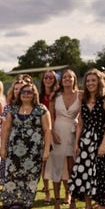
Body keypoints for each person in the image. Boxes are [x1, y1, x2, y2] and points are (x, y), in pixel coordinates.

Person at [0, 82, 52, 209]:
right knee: (11, 177)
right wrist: (2, 148)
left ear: (34, 94)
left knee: (31, 179)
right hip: (13, 151)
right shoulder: (13, 109)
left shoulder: (41, 109)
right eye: (23, 92)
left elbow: (47, 131)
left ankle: (27, 208)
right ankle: (8, 206)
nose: (26, 94)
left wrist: (46, 150)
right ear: (19, 94)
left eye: (29, 92)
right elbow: (5, 129)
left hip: (33, 152)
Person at [69, 68, 105, 209]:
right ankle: (88, 207)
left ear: (100, 81)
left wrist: (103, 144)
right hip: (85, 142)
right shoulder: (83, 99)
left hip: (100, 141)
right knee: (83, 175)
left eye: (93, 80)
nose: (90, 83)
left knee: (99, 176)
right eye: (88, 81)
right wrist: (77, 143)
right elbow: (80, 124)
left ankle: (101, 208)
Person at [44, 69, 79, 209]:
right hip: (57, 132)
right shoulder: (55, 95)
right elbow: (50, 116)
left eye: (70, 77)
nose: (67, 79)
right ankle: (57, 200)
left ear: (74, 79)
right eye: (64, 77)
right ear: (61, 80)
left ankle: (73, 200)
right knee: (57, 167)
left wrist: (77, 129)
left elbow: (82, 116)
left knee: (72, 169)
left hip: (73, 133)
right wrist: (52, 133)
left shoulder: (80, 95)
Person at [38, 70, 60, 199]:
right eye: (46, 77)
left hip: (57, 130)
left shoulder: (59, 95)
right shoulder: (39, 96)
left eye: (51, 77)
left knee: (58, 163)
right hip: (42, 132)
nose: (48, 79)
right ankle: (47, 191)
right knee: (44, 163)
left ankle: (63, 193)